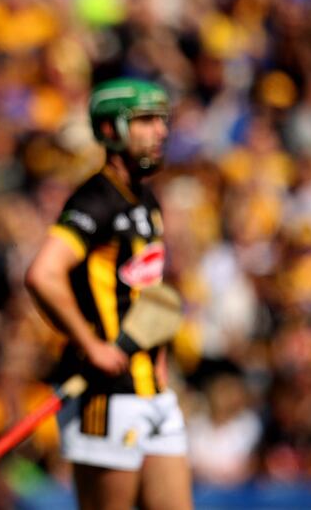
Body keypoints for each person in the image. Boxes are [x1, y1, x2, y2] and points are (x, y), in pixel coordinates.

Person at [24, 78, 192, 510]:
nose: (161, 131)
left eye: (161, 120)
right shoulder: (95, 199)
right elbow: (43, 274)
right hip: (105, 394)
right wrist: (91, 345)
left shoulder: (146, 198)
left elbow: (147, 292)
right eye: (145, 121)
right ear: (112, 129)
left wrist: (158, 358)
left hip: (150, 391)